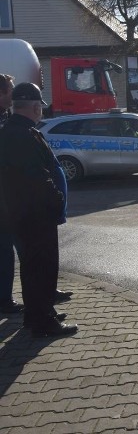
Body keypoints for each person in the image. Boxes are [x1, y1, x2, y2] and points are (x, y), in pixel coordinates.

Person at [0, 82, 77, 337]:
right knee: (40, 268)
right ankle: (43, 322)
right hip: (34, 214)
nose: (40, 111)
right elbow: (37, 176)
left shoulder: (15, 131)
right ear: (35, 107)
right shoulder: (22, 135)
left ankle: (39, 314)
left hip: (23, 212)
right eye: (40, 107)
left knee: (34, 268)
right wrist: (55, 199)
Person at [0, 73, 23, 314]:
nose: (13, 95)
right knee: (4, 250)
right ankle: (4, 300)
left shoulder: (7, 116)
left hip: (9, 195)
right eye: (10, 90)